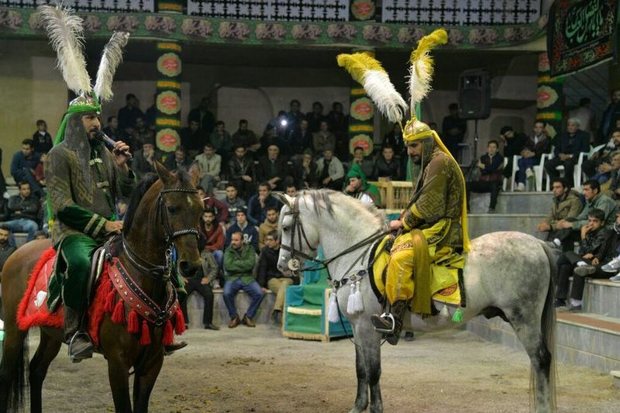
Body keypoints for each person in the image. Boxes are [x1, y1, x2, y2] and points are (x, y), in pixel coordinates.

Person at [370, 117, 468, 345]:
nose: (409, 151)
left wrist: (403, 222)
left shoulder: (439, 162)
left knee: (401, 257)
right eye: (407, 146)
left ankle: (395, 320)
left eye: (414, 145)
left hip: (443, 228)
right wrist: (404, 218)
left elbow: (430, 205)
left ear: (427, 143)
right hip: (430, 224)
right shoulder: (429, 163)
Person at [554, 209, 608, 311]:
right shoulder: (590, 232)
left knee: (567, 254)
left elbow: (591, 250)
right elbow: (583, 252)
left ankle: (580, 265)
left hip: (596, 264)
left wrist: (583, 236)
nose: (591, 224)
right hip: (585, 261)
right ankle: (561, 300)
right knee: (565, 266)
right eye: (590, 220)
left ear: (602, 222)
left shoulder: (603, 233)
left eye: (595, 221)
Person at [223, 231, 263, 328]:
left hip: (247, 277)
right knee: (226, 293)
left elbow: (250, 264)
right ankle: (234, 317)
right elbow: (228, 266)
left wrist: (236, 263)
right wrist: (243, 264)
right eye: (232, 240)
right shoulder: (228, 250)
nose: (233, 242)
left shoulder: (250, 249)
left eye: (236, 240)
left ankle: (248, 316)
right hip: (233, 278)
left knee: (259, 293)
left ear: (242, 241)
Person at [257, 230, 296, 325]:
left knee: (285, 284)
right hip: (272, 278)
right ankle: (284, 319)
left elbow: (293, 266)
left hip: (286, 277)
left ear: (277, 241)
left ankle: (277, 310)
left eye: (270, 240)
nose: (267, 242)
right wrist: (261, 284)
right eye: (266, 240)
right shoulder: (265, 251)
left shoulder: (286, 251)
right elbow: (262, 268)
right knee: (285, 291)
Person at [536, 178, 583, 247]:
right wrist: (544, 223)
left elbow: (570, 218)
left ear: (565, 189)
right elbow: (551, 215)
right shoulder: (556, 200)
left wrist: (551, 226)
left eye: (558, 187)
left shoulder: (575, 201)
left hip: (571, 231)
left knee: (567, 222)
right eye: (553, 187)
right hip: (557, 228)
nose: (554, 190)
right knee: (543, 228)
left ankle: (554, 243)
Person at [544, 118, 590, 187]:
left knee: (568, 164)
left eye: (573, 125)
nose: (570, 127)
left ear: (577, 126)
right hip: (562, 157)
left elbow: (586, 149)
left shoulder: (584, 135)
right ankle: (556, 183)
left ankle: (569, 184)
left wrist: (570, 156)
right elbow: (556, 149)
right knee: (548, 164)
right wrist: (559, 154)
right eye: (569, 125)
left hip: (575, 157)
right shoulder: (562, 135)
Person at [180, 249, 219, 330]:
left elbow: (214, 268)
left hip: (201, 279)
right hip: (187, 279)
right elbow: (177, 266)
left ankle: (208, 323)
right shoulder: (184, 253)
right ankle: (184, 323)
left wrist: (208, 278)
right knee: (181, 295)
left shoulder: (207, 254)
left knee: (209, 295)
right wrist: (181, 278)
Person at [466, 140, 504, 213]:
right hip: (483, 182)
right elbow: (485, 170)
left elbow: (492, 168)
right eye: (490, 147)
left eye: (494, 147)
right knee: (466, 185)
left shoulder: (499, 158)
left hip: (494, 182)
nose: (491, 149)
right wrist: (488, 168)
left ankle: (491, 208)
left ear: (497, 149)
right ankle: (466, 208)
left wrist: (483, 166)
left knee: (495, 185)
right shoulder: (483, 157)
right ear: (487, 148)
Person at [514, 120, 551, 191]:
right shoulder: (530, 137)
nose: (538, 129)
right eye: (536, 127)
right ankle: (528, 170)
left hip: (539, 159)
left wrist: (534, 153)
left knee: (522, 161)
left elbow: (546, 150)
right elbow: (525, 146)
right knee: (521, 160)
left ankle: (521, 184)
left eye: (540, 127)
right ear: (534, 128)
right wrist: (524, 151)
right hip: (529, 158)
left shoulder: (547, 139)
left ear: (543, 129)